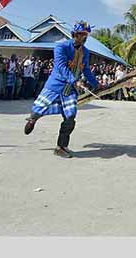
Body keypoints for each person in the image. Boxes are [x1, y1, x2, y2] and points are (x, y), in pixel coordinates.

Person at [23, 21, 101, 158]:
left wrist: (97, 84)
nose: (84, 37)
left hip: (69, 90)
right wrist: (73, 79)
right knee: (39, 108)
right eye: (82, 34)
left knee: (70, 116)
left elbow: (86, 69)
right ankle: (33, 119)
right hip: (55, 85)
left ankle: (61, 147)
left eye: (86, 35)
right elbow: (60, 66)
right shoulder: (61, 47)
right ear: (74, 34)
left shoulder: (86, 52)